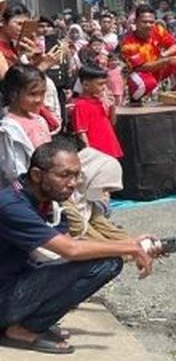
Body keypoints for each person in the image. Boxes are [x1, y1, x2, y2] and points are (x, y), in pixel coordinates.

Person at [0, 139, 157, 355]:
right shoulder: (11, 205)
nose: (73, 183)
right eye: (64, 175)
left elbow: (75, 245)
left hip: (13, 280)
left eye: (76, 175)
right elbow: (70, 249)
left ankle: (26, 319)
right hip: (4, 293)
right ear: (37, 175)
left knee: (97, 261)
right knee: (106, 264)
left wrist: (130, 244)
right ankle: (24, 329)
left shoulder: (46, 199)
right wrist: (130, 247)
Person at [120, 5, 176, 99]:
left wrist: (164, 55)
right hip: (142, 73)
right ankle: (135, 99)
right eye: (144, 22)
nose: (148, 25)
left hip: (159, 67)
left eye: (151, 22)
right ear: (136, 22)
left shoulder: (157, 30)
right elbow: (142, 67)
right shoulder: (128, 43)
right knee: (148, 83)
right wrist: (166, 60)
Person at [71, 66, 122, 160]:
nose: (104, 88)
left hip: (110, 147)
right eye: (100, 84)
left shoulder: (100, 101)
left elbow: (112, 123)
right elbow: (81, 133)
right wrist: (89, 155)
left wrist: (112, 106)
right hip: (97, 153)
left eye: (105, 84)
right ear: (86, 85)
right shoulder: (80, 105)